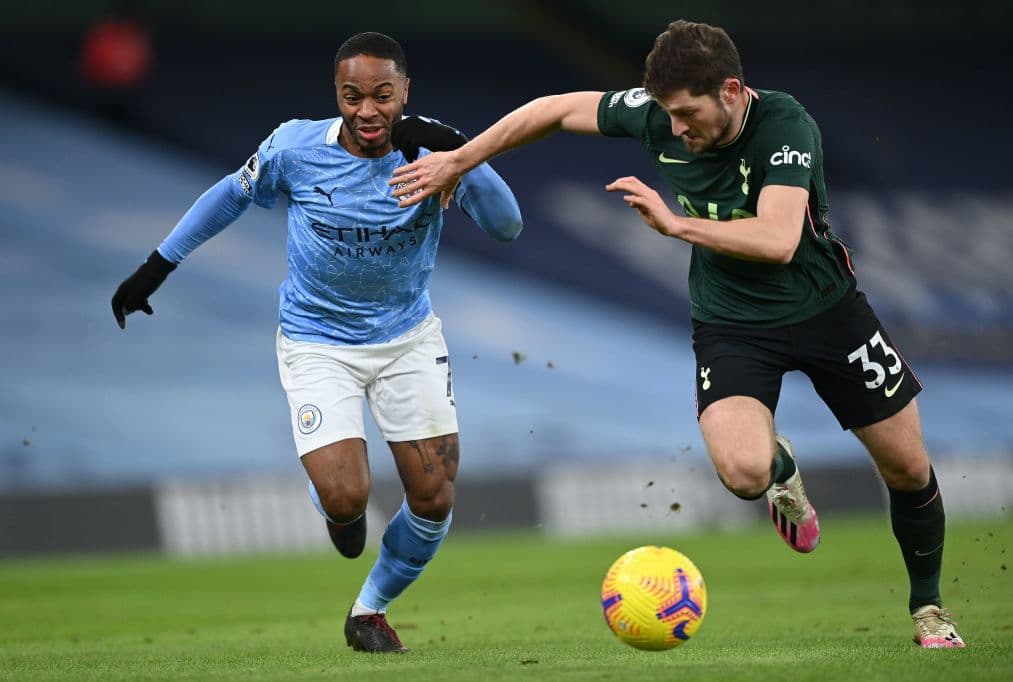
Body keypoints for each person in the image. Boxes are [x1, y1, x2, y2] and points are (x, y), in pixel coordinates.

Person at [388, 20, 965, 649]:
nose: (677, 128)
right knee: (744, 472)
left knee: (908, 468)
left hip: (829, 312)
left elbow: (778, 241)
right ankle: (780, 466)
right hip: (732, 323)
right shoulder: (660, 114)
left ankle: (928, 608)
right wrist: (459, 160)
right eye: (666, 113)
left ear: (732, 91)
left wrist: (674, 225)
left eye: (688, 113)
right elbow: (554, 110)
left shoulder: (785, 127)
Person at [111, 32, 523, 654]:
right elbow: (230, 194)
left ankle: (370, 610)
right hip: (317, 342)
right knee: (345, 494)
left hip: (407, 339)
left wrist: (462, 154)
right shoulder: (296, 148)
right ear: (337, 95)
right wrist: (157, 265)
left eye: (382, 96)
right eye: (352, 96)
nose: (367, 111)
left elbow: (507, 226)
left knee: (434, 496)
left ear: (404, 93)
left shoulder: (432, 156)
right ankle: (340, 510)